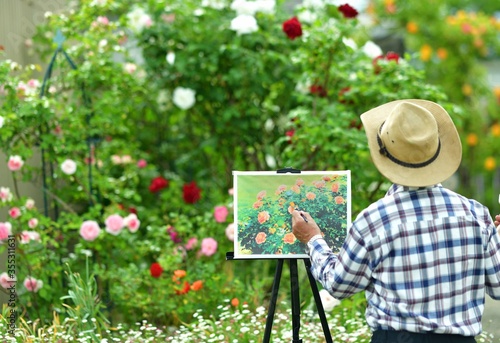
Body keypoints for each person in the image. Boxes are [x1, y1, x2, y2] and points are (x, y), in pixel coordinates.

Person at [291, 99, 500, 343]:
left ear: (386, 154)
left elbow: (339, 285)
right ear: (436, 150)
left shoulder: (374, 220)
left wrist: (312, 239)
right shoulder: (475, 214)